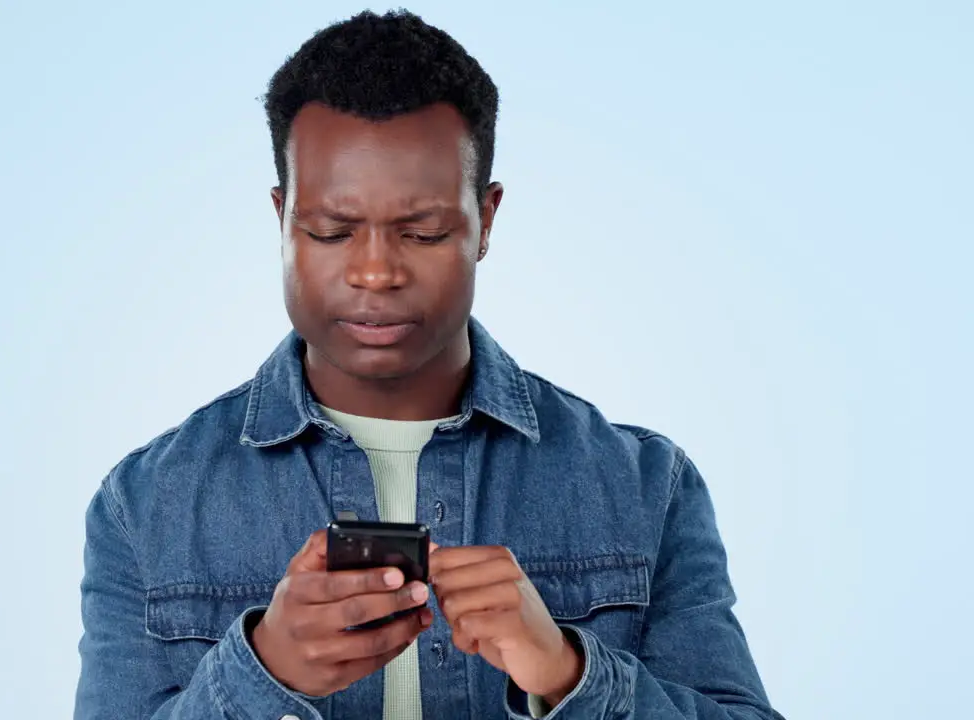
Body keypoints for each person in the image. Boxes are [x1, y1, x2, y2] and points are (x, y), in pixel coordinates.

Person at [74, 9, 781, 720]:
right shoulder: (144, 504)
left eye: (424, 232)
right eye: (331, 231)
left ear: (487, 222)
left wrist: (568, 676)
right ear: (283, 219)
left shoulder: (645, 486)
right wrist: (262, 674)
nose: (375, 272)